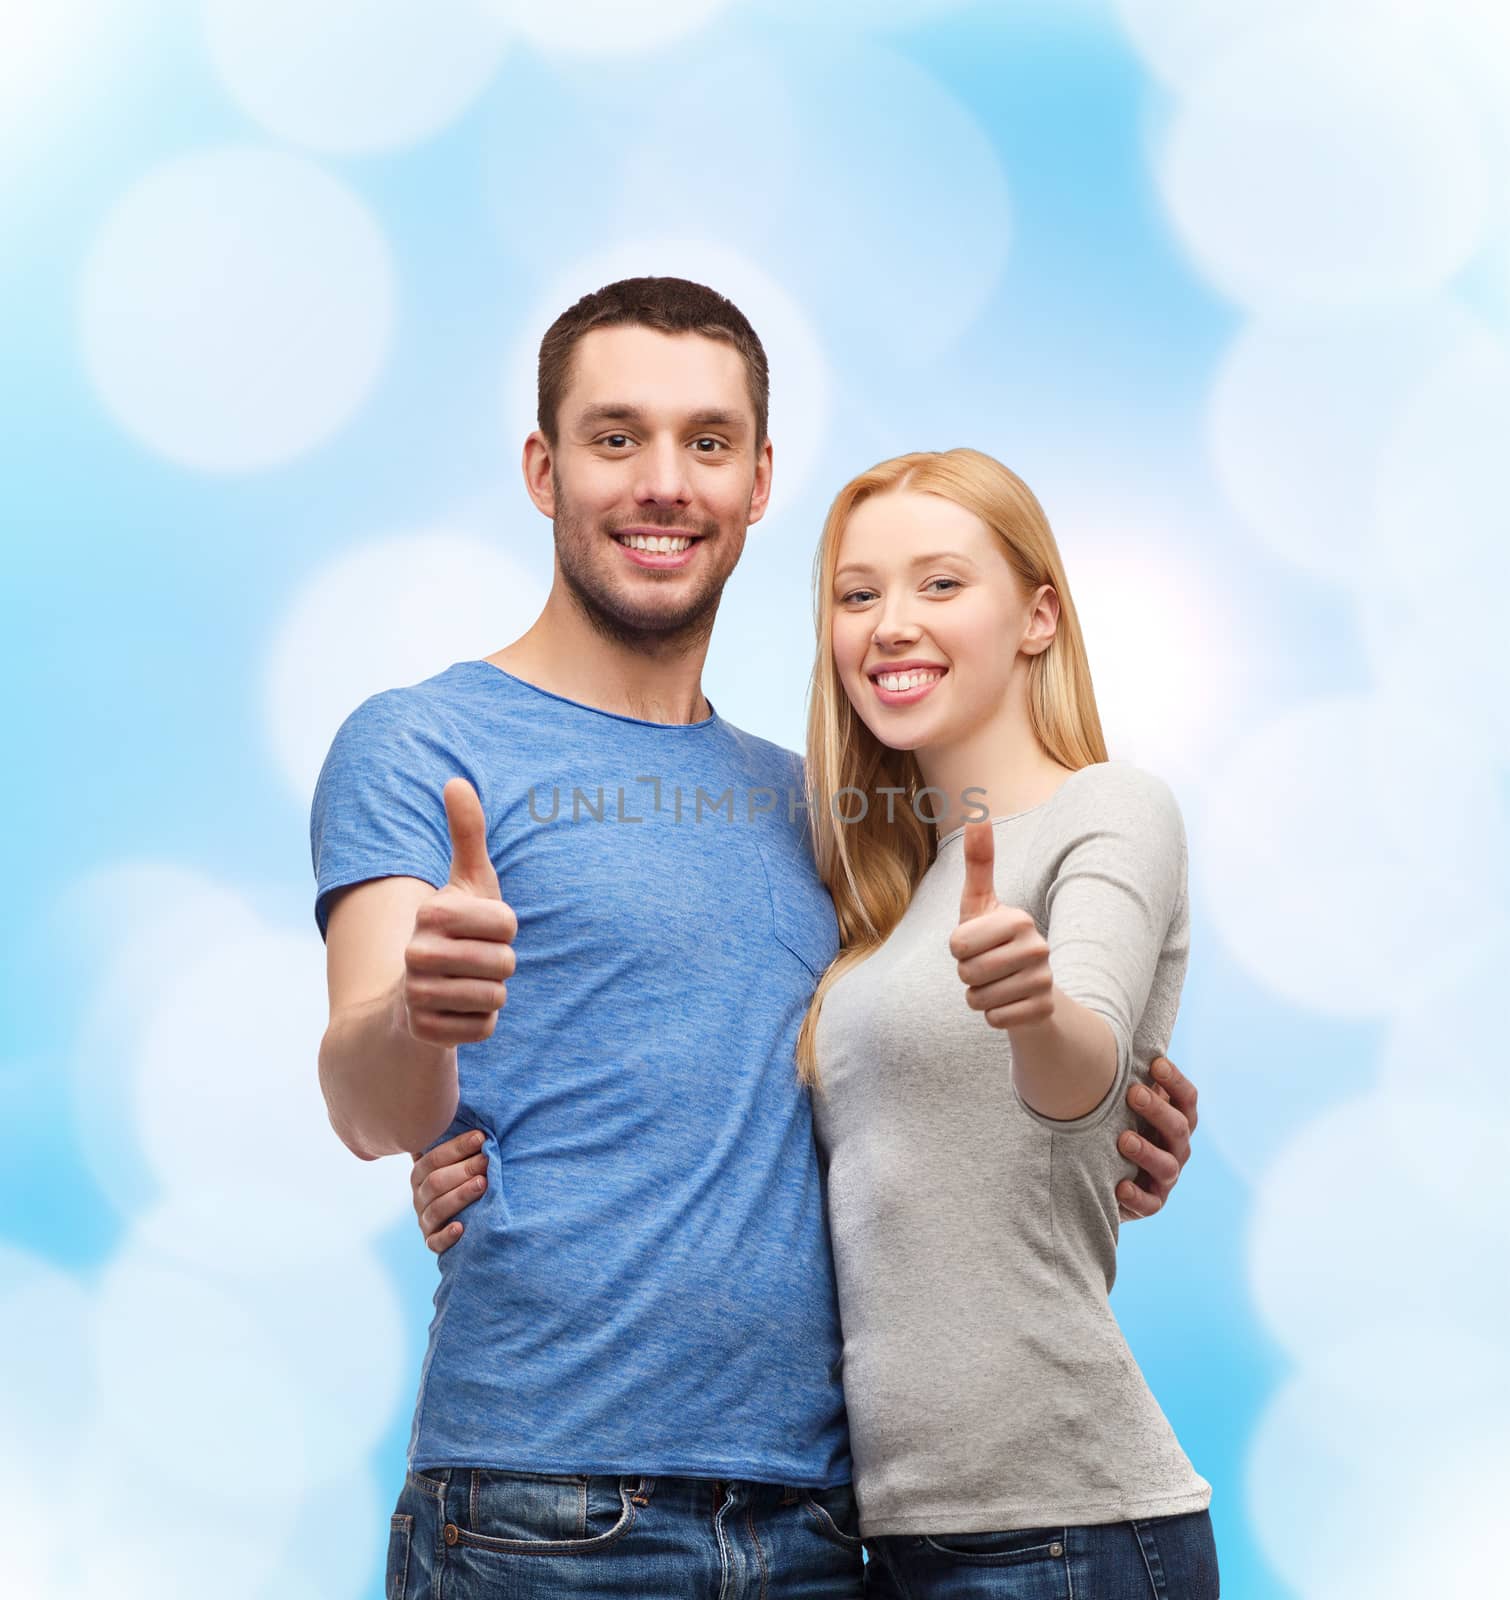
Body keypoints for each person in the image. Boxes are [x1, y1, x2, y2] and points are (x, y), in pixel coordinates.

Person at [315, 277, 1200, 1600]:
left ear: (758, 479)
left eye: (707, 442)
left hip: (825, 1526)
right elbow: (370, 1102)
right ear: (541, 469)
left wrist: (1110, 1104)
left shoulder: (839, 813)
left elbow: (938, 1066)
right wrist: (417, 1020)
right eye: (615, 438)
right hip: (540, 1506)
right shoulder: (421, 743)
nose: (663, 480)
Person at [807, 447, 1217, 1595]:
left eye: (940, 584)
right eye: (857, 594)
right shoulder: (878, 897)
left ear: (1038, 615)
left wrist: (1032, 1006)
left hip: (1064, 1525)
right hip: (880, 1532)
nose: (890, 624)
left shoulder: (1109, 808)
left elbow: (1080, 1071)